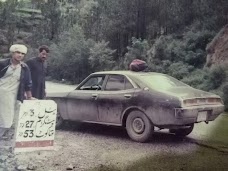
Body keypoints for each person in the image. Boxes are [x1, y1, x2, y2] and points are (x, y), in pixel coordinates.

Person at [0, 44, 33, 138]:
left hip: (11, 96)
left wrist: (29, 97)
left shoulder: (24, 67)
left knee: (7, 122)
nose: (20, 55)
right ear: (13, 53)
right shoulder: (3, 63)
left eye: (22, 53)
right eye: (18, 52)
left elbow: (28, 83)